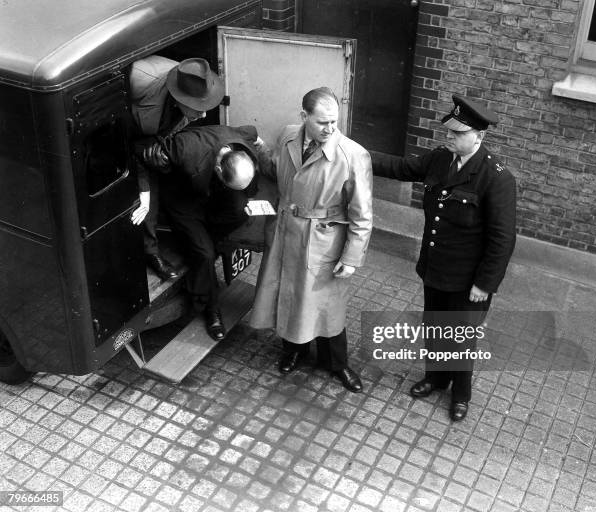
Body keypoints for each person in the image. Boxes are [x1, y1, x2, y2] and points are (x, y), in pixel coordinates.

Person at [370, 94, 516, 421]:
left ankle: (460, 394)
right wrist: (357, 155)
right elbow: (402, 167)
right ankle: (436, 378)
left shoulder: (496, 177)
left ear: (479, 136)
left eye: (458, 134)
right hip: (436, 270)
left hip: (468, 282)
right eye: (449, 132)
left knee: (461, 340)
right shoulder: (440, 159)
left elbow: (502, 239)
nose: (449, 138)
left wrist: (485, 284)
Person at [249, 87, 373, 393]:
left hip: (323, 240)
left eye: (334, 122)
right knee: (289, 294)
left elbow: (362, 214)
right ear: (304, 117)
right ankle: (294, 350)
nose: (330, 129)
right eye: (322, 122)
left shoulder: (352, 155)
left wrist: (351, 258)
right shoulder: (289, 136)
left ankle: (338, 364)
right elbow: (274, 168)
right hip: (287, 231)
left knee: (326, 305)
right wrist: (254, 147)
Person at [133, 123, 270, 341]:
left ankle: (203, 248)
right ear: (218, 170)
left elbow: (253, 131)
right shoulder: (185, 148)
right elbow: (139, 150)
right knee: (204, 254)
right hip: (184, 201)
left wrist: (263, 151)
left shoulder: (243, 142)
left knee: (239, 211)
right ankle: (211, 308)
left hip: (212, 198)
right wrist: (145, 196)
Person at [129, 55, 225, 280]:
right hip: (130, 138)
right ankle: (150, 252)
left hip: (159, 137)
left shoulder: (191, 78)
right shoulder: (138, 82)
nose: (202, 114)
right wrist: (144, 191)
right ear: (178, 98)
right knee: (147, 202)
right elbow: (132, 143)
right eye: (196, 107)